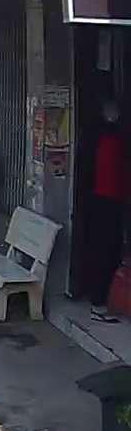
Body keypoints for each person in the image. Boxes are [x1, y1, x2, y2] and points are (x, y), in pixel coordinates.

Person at [89, 98, 125, 323]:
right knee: (107, 253)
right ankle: (99, 302)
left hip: (101, 200)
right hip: (109, 202)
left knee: (104, 251)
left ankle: (99, 300)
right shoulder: (111, 140)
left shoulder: (97, 138)